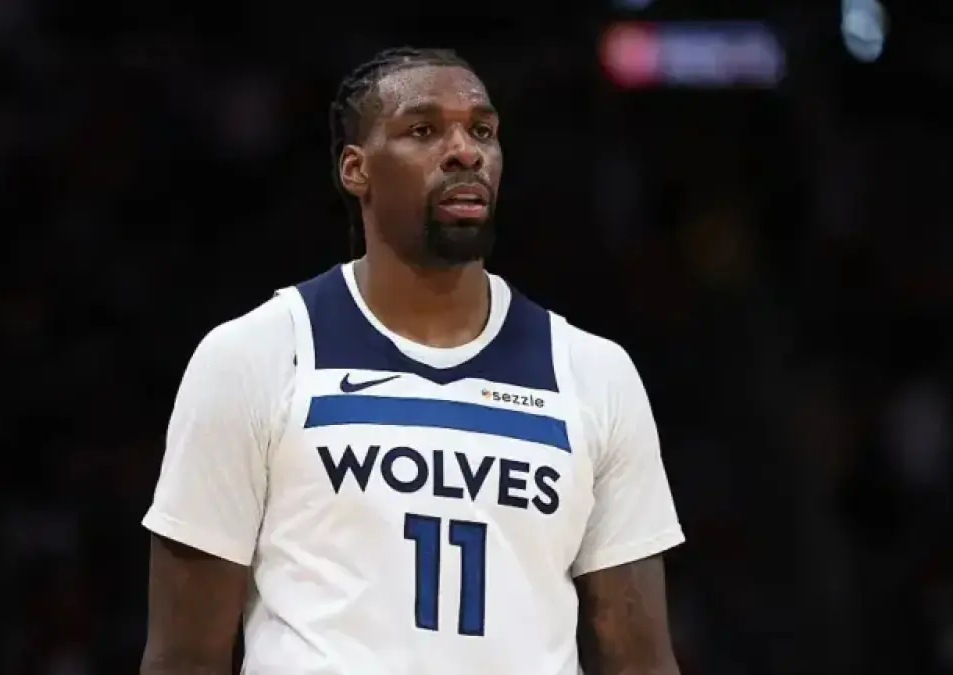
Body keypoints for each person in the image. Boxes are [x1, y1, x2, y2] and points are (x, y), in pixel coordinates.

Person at [139, 46, 685, 675]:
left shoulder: (594, 373)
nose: (465, 152)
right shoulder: (253, 356)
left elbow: (640, 658)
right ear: (355, 169)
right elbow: (184, 656)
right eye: (423, 130)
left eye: (482, 131)